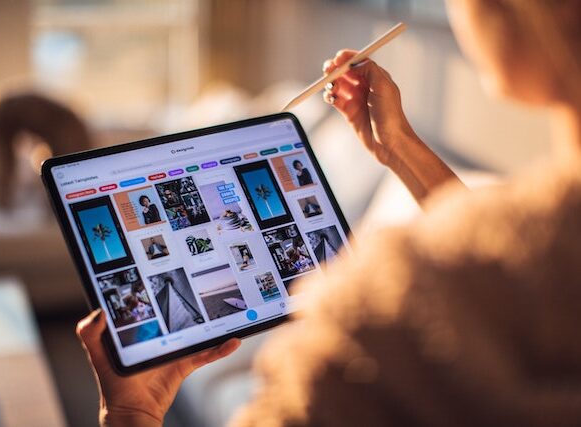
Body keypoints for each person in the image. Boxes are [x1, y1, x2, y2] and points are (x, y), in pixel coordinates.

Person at [77, 1, 581, 425]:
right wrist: (397, 146)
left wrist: (132, 413)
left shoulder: (384, 311)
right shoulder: (531, 266)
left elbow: (478, 272)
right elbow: (499, 259)